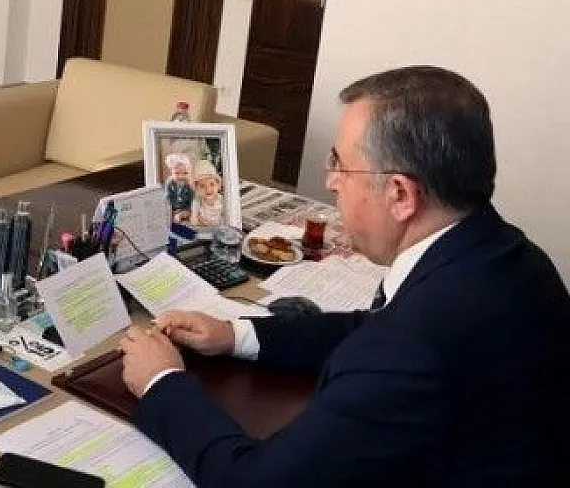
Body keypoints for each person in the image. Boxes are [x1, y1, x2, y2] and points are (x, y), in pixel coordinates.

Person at [119, 66, 570, 486]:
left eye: (340, 164)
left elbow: (254, 481)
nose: (330, 181)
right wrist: (236, 335)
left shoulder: (412, 347)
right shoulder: (511, 258)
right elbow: (375, 328)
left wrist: (162, 382)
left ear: (400, 194)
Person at [189, 159, 223, 227]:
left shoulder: (223, 200)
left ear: (218, 185)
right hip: (204, 229)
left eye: (212, 184)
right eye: (202, 186)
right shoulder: (197, 202)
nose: (208, 189)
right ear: (196, 189)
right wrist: (196, 221)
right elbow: (193, 220)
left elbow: (228, 219)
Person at [163, 153, 195, 222]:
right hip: (173, 207)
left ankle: (180, 216)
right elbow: (167, 197)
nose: (181, 176)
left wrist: (187, 211)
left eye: (185, 173)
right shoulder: (169, 182)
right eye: (176, 173)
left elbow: (193, 200)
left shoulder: (190, 184)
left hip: (186, 208)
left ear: (190, 172)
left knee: (191, 212)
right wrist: (169, 208)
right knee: (164, 211)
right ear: (171, 172)